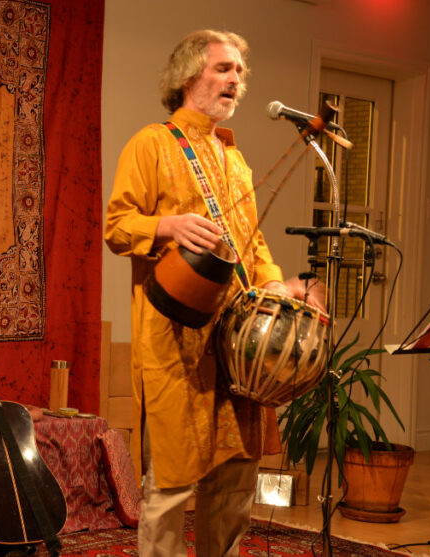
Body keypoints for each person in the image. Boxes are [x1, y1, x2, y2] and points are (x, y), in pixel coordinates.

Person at [104, 30, 324, 557]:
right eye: (223, 68)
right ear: (187, 75)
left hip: (238, 346)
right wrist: (168, 225)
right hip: (176, 343)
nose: (235, 80)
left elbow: (254, 242)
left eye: (239, 72)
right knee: (171, 483)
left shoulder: (234, 159)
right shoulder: (151, 144)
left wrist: (276, 283)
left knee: (234, 483)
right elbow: (116, 226)